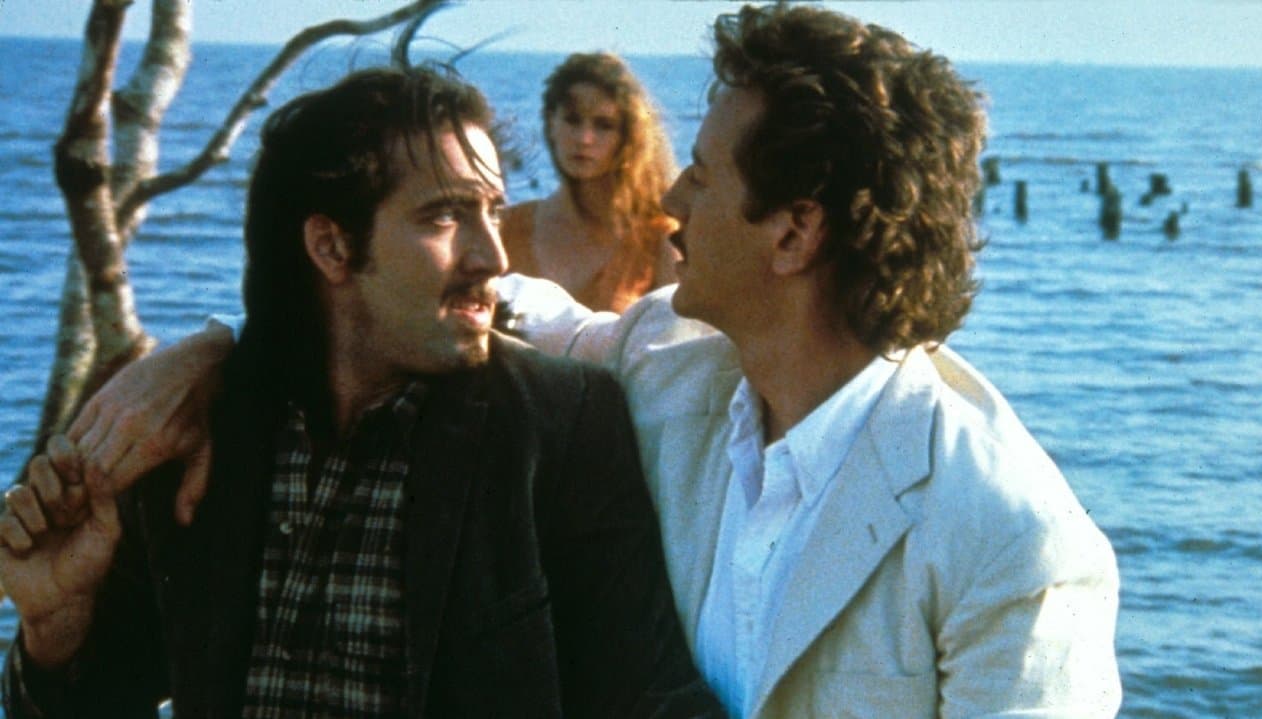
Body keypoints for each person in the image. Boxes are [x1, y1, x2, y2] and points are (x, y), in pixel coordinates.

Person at [36, 5, 1124, 717]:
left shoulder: (1011, 540)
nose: (670, 197)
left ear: (793, 233)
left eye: (704, 175)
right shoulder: (674, 373)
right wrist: (214, 351)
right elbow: (465, 303)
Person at [0, 65, 722, 718]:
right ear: (331, 247)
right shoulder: (202, 433)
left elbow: (654, 701)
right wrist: (53, 632)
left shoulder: (557, 427)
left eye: (492, 210)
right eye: (444, 216)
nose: (493, 255)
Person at [502, 52, 680, 313]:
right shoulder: (507, 229)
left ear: (627, 137)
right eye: (572, 120)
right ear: (551, 122)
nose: (584, 139)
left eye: (604, 125)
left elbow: (679, 335)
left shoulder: (658, 240)